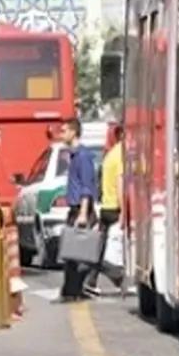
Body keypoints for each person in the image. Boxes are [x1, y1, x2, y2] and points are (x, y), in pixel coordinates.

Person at [56, 118, 99, 303]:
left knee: (80, 251)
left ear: (74, 132)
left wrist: (83, 213)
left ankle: (74, 290)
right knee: (71, 251)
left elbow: (86, 187)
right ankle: (70, 290)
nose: (61, 134)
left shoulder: (83, 157)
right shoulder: (74, 155)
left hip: (81, 209)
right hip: (74, 208)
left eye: (64, 130)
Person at [84, 126, 125, 295]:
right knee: (112, 249)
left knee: (100, 249)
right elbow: (120, 182)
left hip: (107, 206)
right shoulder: (121, 155)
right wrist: (124, 210)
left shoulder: (110, 155)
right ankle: (119, 277)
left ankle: (91, 280)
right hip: (115, 207)